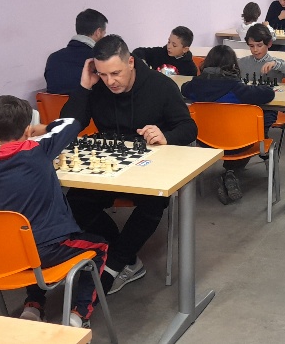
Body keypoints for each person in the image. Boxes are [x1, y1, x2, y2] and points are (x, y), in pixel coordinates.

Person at [60, 34, 197, 295]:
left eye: (116, 73)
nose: (110, 81)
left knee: (153, 202)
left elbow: (189, 127)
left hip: (151, 168)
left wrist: (166, 136)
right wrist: (84, 87)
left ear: (131, 62)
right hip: (109, 167)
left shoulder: (160, 85)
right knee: (75, 202)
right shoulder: (97, 87)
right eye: (102, 74)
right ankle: (126, 258)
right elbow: (67, 126)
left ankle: (113, 266)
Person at [0, 97, 107, 328]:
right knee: (101, 247)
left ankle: (33, 305)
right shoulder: (40, 150)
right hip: (49, 249)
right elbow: (71, 123)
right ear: (27, 130)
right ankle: (79, 314)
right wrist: (44, 129)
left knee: (27, 238)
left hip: (10, 252)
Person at [181, 45, 276, 205]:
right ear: (232, 65)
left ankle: (230, 172)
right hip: (240, 144)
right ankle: (231, 172)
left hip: (205, 143)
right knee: (267, 115)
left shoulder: (195, 86)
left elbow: (184, 89)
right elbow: (268, 94)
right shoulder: (237, 88)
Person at [240, 23, 285, 124]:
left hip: (269, 107)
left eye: (259, 45)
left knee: (265, 118)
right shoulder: (241, 62)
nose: (255, 50)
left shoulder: (276, 63)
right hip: (247, 106)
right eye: (251, 46)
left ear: (269, 44)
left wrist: (278, 65)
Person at [45, 9, 108, 95]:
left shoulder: (53, 58)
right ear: (98, 32)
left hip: (52, 104)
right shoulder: (97, 60)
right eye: (104, 34)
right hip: (85, 103)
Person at [131, 26, 198, 76]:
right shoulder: (159, 53)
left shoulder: (190, 68)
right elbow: (138, 51)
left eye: (174, 45)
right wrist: (142, 61)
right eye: (169, 42)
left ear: (185, 49)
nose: (169, 46)